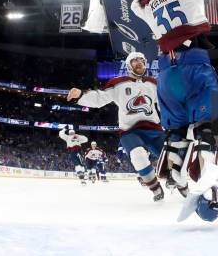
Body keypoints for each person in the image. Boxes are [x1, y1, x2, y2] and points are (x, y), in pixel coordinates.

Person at [130, 0, 218, 222]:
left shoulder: (147, 4)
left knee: (176, 130)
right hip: (194, 65)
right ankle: (206, 165)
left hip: (165, 73)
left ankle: (176, 168)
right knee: (207, 125)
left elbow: (134, 4)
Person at [67, 52, 168, 201]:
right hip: (130, 131)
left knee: (172, 159)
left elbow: (166, 104)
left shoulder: (154, 83)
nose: (139, 63)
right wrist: (81, 95)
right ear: (128, 65)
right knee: (138, 156)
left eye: (141, 60)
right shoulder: (118, 82)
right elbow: (100, 98)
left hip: (154, 129)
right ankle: (155, 188)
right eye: (135, 61)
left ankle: (181, 185)